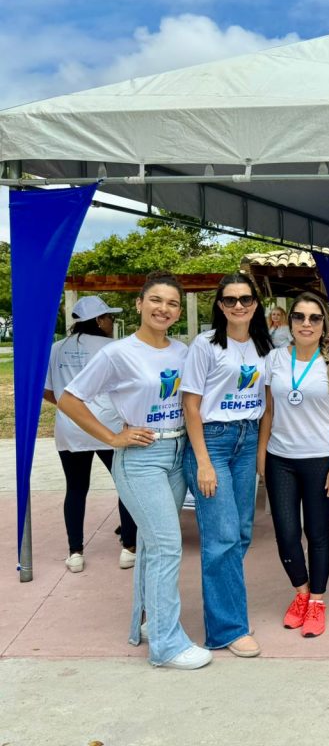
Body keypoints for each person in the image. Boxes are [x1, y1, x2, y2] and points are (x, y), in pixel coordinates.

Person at [59, 271, 211, 670]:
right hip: (141, 457)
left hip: (177, 452)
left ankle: (144, 624)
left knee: (149, 545)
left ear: (179, 311)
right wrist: (111, 437)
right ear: (140, 304)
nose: (164, 309)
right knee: (166, 545)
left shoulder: (183, 351)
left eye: (173, 303)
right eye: (156, 300)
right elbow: (70, 399)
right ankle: (166, 644)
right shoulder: (117, 353)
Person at [181, 273, 272, 658]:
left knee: (242, 534)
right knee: (221, 539)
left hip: (247, 439)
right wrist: (202, 461)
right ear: (220, 305)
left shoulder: (264, 345)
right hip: (213, 443)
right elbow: (190, 404)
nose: (239, 305)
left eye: (246, 299)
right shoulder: (205, 345)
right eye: (230, 299)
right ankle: (227, 628)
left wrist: (261, 455)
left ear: (255, 304)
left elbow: (268, 401)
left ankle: (227, 607)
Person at [258, 292, 329, 638]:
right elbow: (268, 412)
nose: (307, 324)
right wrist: (261, 457)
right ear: (290, 322)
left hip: (320, 459)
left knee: (316, 533)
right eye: (300, 317)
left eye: (315, 318)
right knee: (285, 533)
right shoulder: (274, 360)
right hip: (281, 459)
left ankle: (317, 600)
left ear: (323, 324)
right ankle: (300, 592)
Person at [44, 296, 138, 573]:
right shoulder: (114, 348)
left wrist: (70, 409)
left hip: (70, 429)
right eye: (109, 317)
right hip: (109, 428)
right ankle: (129, 547)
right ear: (98, 320)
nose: (112, 321)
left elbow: (46, 390)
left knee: (75, 489)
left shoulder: (56, 349)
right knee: (125, 486)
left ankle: (75, 552)